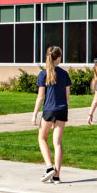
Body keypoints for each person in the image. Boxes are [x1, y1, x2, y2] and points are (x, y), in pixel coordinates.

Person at [33, 45, 71, 183]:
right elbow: (67, 97)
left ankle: (49, 167)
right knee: (58, 143)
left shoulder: (43, 74)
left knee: (42, 138)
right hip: (62, 110)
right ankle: (57, 175)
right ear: (59, 58)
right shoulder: (64, 74)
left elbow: (40, 97)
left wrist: (35, 114)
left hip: (48, 110)